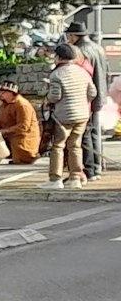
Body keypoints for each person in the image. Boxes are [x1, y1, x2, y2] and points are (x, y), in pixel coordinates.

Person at [43, 42, 99, 189]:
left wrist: (47, 98)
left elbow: (55, 96)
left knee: (58, 146)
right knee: (75, 146)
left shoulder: (56, 74)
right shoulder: (83, 72)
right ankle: (75, 178)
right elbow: (93, 93)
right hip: (82, 115)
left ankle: (55, 179)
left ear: (59, 57)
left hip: (63, 116)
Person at [63, 22, 106, 180]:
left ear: (74, 36)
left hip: (85, 97)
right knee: (94, 132)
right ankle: (97, 166)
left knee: (84, 134)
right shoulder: (98, 47)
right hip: (100, 93)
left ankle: (89, 169)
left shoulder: (79, 51)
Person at [0, 77, 41, 165]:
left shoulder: (22, 105)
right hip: (11, 134)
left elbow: (24, 126)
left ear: (11, 93)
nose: (0, 95)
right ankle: (14, 155)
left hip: (23, 137)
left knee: (16, 140)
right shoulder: (4, 106)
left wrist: (5, 131)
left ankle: (26, 157)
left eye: (3, 92)